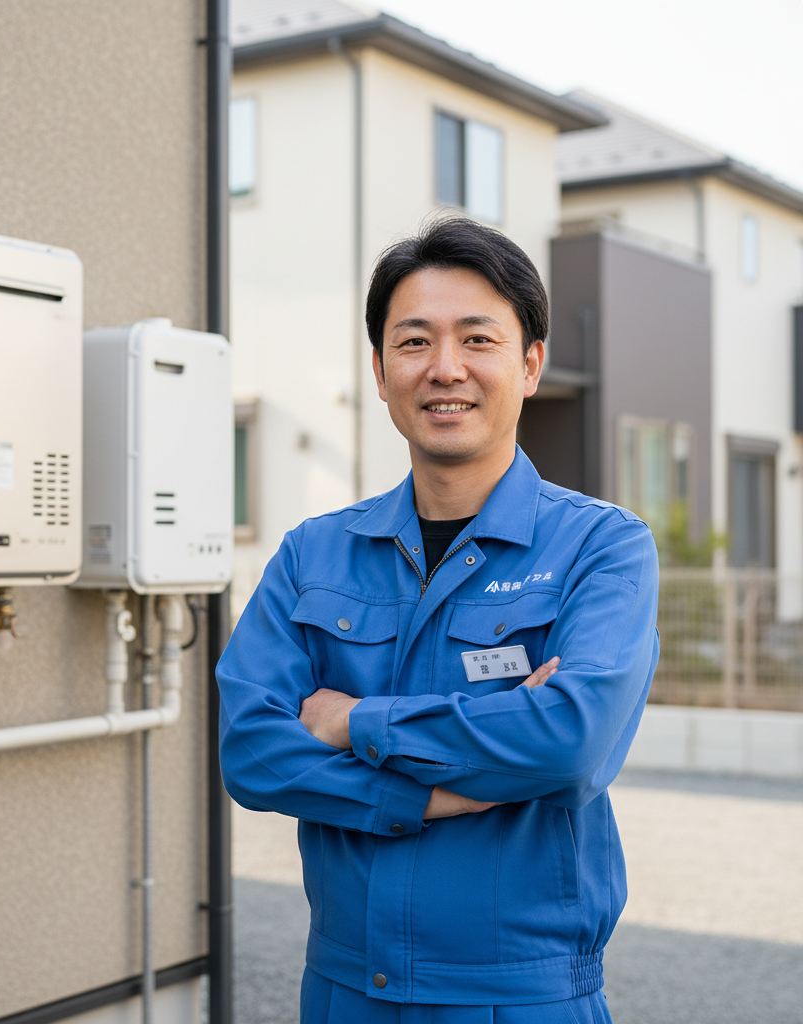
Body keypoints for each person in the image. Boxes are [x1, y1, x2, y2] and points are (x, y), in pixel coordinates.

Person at [217, 217, 659, 1023]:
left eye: (478, 340)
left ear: (529, 365)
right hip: (345, 991)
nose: (445, 368)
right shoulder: (313, 554)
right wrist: (424, 799)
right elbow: (251, 751)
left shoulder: (601, 547)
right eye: (414, 341)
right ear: (381, 372)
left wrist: (354, 721)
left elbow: (570, 742)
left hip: (522, 997)